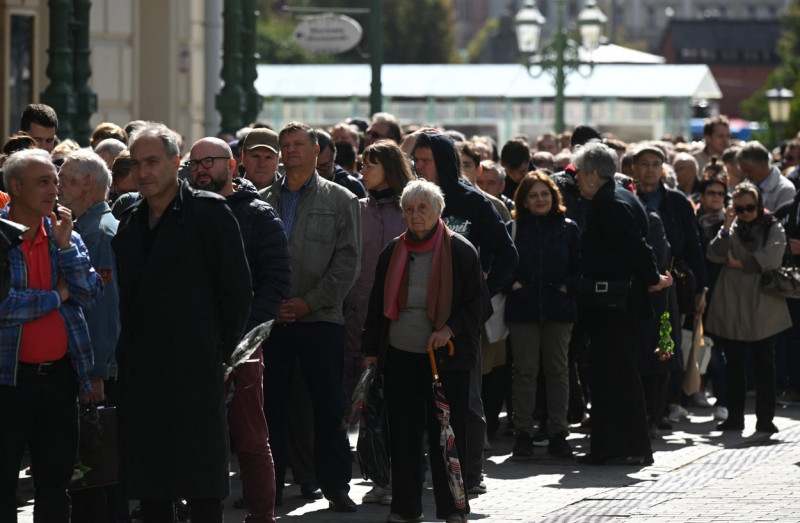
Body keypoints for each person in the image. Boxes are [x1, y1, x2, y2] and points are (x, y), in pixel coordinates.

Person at [112, 122, 252, 522]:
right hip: (143, 373)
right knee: (152, 488)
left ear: (177, 162)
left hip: (195, 368)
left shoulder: (209, 214)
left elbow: (237, 292)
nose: (143, 172)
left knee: (202, 485)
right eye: (136, 163)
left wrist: (217, 355)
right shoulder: (131, 220)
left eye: (152, 161)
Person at [363, 179, 490, 523]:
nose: (415, 215)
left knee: (447, 437)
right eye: (409, 209)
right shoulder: (393, 251)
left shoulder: (461, 250)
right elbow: (377, 306)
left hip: (447, 359)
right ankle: (405, 508)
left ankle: (453, 508)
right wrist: (371, 351)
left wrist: (448, 329)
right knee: (403, 435)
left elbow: (478, 307)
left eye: (423, 208)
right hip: (400, 355)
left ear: (438, 211)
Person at [188, 137, 291, 523]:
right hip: (193, 348)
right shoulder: (183, 212)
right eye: (194, 163)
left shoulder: (259, 215)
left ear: (232, 166)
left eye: (209, 161)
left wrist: (246, 339)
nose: (200, 169)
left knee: (250, 438)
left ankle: (261, 514)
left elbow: (276, 282)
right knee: (192, 436)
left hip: (244, 348)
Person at [259, 121, 361, 512]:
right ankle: (270, 485)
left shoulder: (341, 199)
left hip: (321, 320)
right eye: (284, 145)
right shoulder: (263, 200)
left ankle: (335, 485)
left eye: (298, 144)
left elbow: (348, 262)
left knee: (329, 405)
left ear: (316, 151)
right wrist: (271, 304)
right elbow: (254, 260)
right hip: (274, 321)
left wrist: (309, 302)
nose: (290, 151)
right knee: (272, 406)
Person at [0, 148, 103, 522]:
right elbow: (4, 307)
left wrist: (64, 247)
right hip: (8, 381)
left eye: (55, 182)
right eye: (43, 182)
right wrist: (56, 296)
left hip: (60, 380)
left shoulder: (64, 234)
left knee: (56, 486)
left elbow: (91, 293)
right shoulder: (1, 236)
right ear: (15, 186)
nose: (53, 191)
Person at [412, 131, 517, 495]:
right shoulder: (413, 201)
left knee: (467, 402)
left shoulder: (473, 203)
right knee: (420, 400)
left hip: (461, 322)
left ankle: (470, 474)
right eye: (416, 160)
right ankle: (429, 473)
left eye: (425, 160)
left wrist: (482, 294)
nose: (418, 167)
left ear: (443, 162)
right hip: (417, 317)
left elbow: (507, 255)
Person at [571, 142, 672, 465]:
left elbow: (637, 248)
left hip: (614, 305)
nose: (575, 180)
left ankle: (626, 448)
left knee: (617, 376)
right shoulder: (619, 196)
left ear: (591, 174)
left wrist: (653, 277)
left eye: (579, 174)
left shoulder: (610, 203)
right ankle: (616, 448)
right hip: (616, 302)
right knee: (613, 376)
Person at [342, 140, 413, 505]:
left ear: (388, 166)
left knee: (397, 404)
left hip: (400, 323)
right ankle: (378, 475)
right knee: (368, 405)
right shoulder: (354, 210)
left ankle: (399, 479)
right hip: (358, 320)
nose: (362, 171)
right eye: (360, 165)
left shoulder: (410, 211)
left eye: (369, 165)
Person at [705, 182, 791, 433]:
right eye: (739, 208)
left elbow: (772, 256)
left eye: (750, 207)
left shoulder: (772, 225)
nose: (745, 213)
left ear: (759, 205)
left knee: (765, 364)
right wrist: (726, 225)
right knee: (734, 364)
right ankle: (735, 417)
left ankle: (765, 418)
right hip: (733, 302)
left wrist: (740, 264)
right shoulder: (731, 228)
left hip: (763, 302)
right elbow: (715, 254)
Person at [505, 172, 580, 459]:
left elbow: (581, 266)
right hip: (522, 311)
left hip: (559, 310)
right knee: (524, 372)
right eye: (533, 195)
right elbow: (501, 262)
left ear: (554, 196)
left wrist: (566, 287)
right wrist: (513, 285)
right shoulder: (512, 228)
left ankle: (558, 433)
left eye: (545, 194)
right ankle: (522, 433)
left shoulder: (568, 228)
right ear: (523, 199)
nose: (540, 200)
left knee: (558, 372)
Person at [737, 141, 795, 211]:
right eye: (744, 172)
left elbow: (784, 220)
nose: (746, 176)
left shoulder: (786, 190)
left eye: (749, 171)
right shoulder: (746, 185)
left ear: (762, 164)